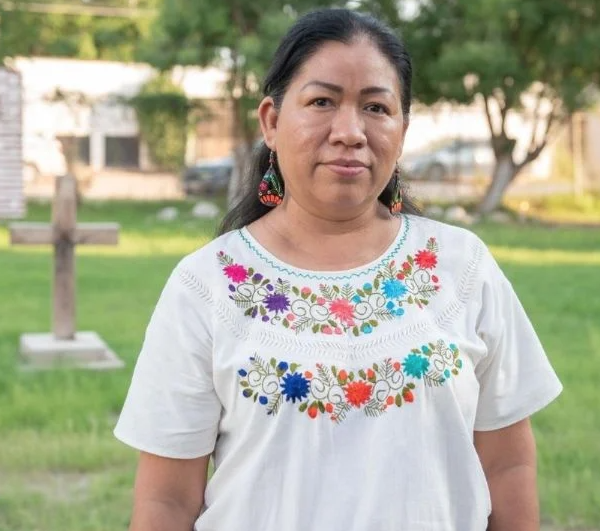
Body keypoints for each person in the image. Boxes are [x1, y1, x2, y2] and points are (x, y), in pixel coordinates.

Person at [114, 8, 562, 531]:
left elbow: (507, 464)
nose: (350, 131)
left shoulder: (460, 267)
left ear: (403, 129)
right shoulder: (207, 285)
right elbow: (165, 503)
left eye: (376, 107)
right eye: (322, 101)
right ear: (272, 122)